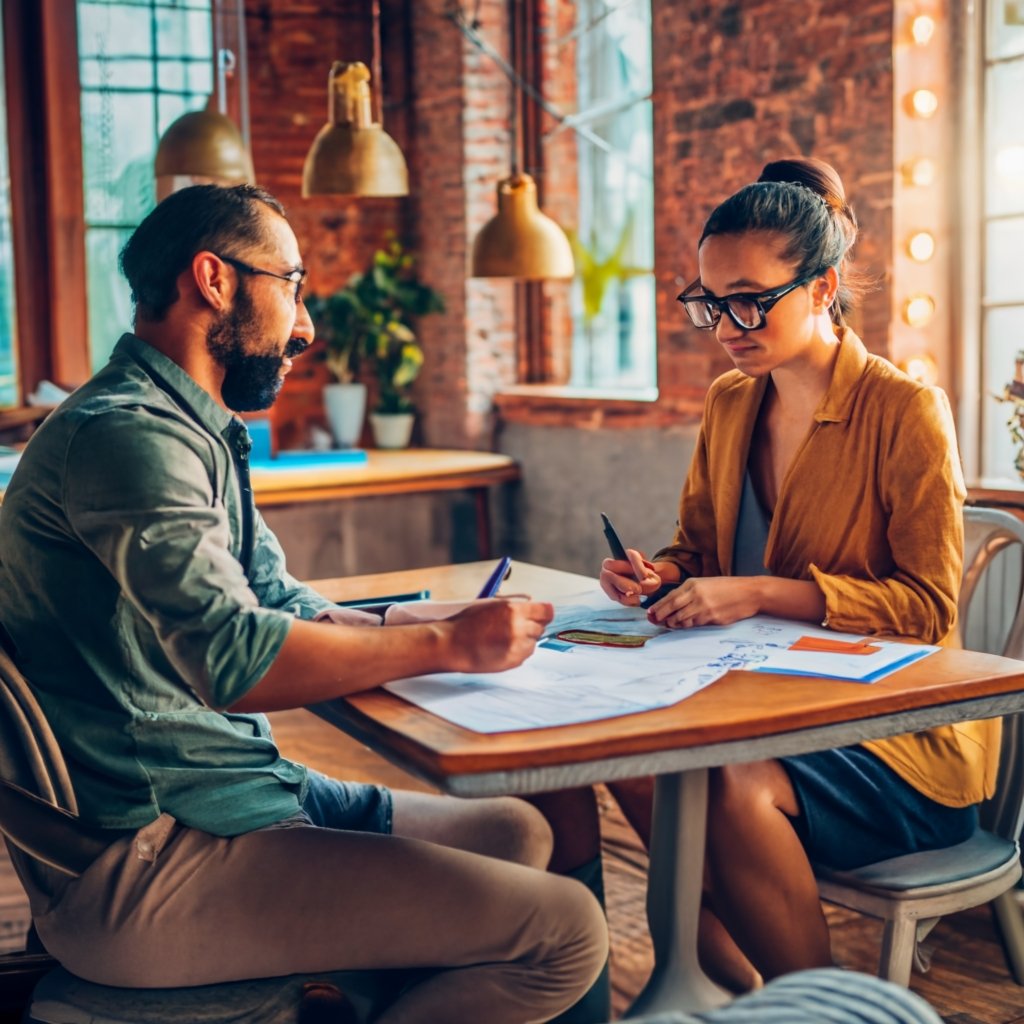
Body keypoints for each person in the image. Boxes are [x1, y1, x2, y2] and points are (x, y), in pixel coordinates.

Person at [0, 183, 608, 1024]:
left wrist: (424, 622)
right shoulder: (127, 436)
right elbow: (235, 659)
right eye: (292, 284)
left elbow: (278, 602)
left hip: (233, 790)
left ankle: (356, 999)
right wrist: (445, 650)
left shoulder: (189, 425)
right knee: (565, 932)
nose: (306, 324)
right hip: (154, 855)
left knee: (518, 833)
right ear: (213, 280)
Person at [592, 157, 998, 991]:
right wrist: (658, 575)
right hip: (762, 703)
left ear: (823, 287)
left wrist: (761, 593)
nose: (729, 323)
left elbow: (925, 611)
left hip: (899, 742)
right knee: (621, 755)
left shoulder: (905, 411)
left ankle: (818, 1008)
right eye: (710, 302)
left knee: (730, 787)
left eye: (751, 298)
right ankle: (744, 994)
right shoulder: (732, 402)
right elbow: (698, 547)